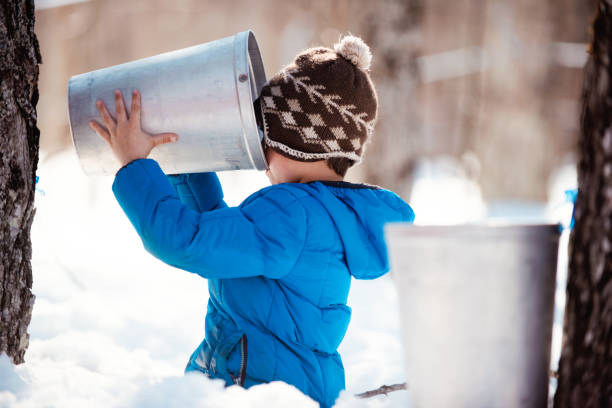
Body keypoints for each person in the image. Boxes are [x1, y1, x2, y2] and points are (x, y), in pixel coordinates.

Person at [89, 35, 414, 408]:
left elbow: (185, 240)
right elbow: (219, 234)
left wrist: (135, 166)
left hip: (260, 395)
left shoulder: (292, 214)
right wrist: (182, 166)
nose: (260, 152)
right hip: (288, 390)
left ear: (292, 142)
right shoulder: (323, 216)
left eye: (264, 136)